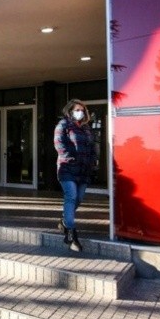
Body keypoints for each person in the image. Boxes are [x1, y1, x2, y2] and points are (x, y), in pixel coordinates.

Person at [53, 99, 98, 252]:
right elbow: (59, 144)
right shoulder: (63, 125)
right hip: (67, 169)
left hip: (84, 171)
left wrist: (92, 161)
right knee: (71, 197)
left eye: (82, 110)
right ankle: (72, 235)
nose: (80, 112)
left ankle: (65, 221)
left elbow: (92, 147)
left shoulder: (86, 128)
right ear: (70, 111)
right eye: (77, 109)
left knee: (78, 199)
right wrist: (72, 158)